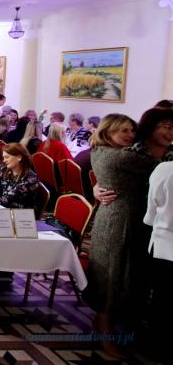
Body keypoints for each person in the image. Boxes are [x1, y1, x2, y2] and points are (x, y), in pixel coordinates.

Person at [88, 109, 173, 353]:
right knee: (114, 273)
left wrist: (98, 185)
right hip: (123, 220)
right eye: (165, 126)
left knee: (132, 276)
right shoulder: (130, 154)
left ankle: (128, 328)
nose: (129, 134)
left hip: (141, 222)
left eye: (131, 130)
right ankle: (106, 327)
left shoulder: (115, 151)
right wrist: (97, 187)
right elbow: (161, 170)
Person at [144, 161, 173, 346]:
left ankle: (156, 343)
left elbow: (150, 215)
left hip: (163, 244)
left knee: (161, 298)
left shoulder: (164, 169)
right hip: (164, 244)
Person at [0, 143, 41, 208]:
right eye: (3, 157)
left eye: (7, 157)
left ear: (19, 157)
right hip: (4, 209)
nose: (4, 160)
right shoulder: (4, 170)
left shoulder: (31, 179)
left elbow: (7, 199)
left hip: (21, 213)